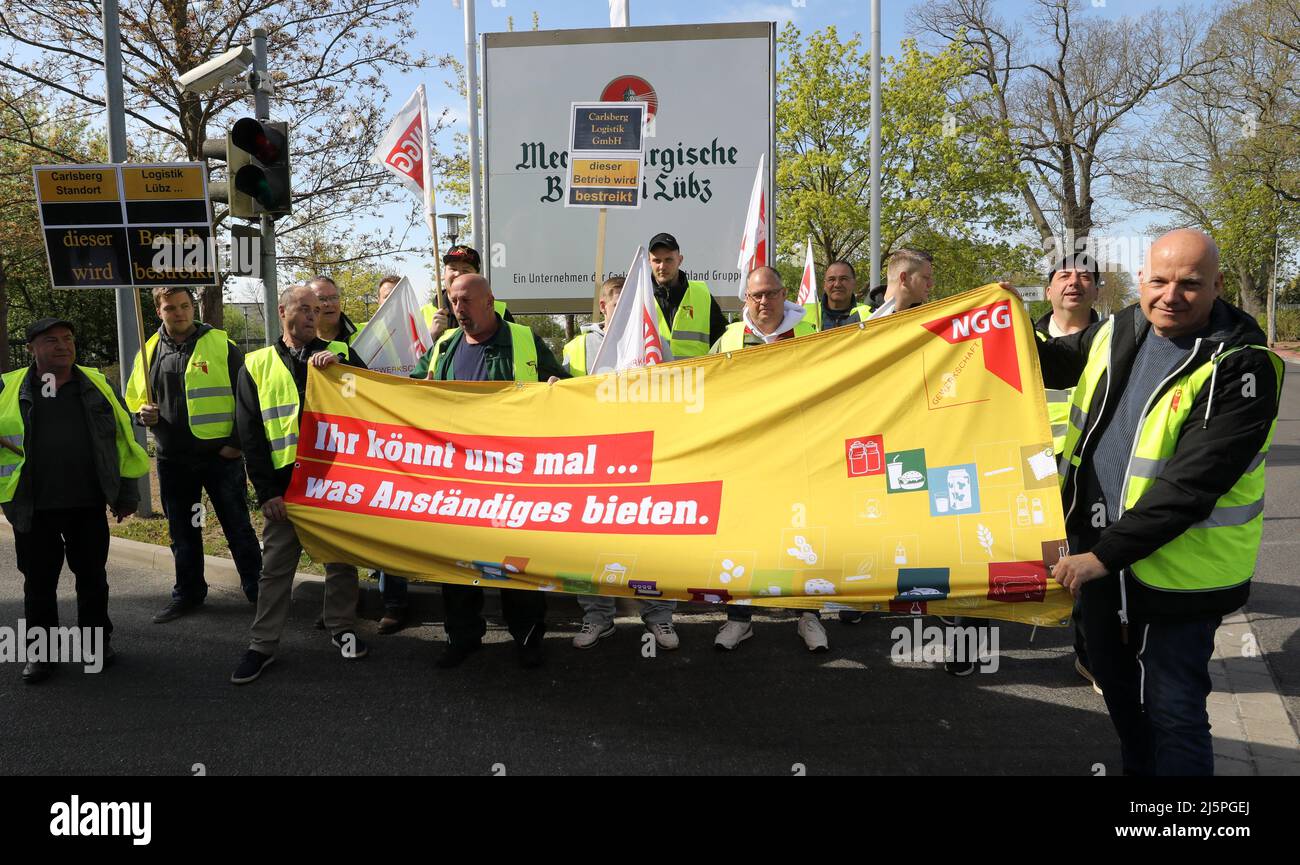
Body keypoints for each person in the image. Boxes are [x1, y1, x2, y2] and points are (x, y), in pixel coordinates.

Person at [1039, 228, 1283, 775]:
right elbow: (1053, 363)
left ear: (1217, 285)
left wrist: (1101, 556)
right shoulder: (1123, 326)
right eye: (1159, 280)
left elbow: (1191, 486)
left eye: (1190, 284)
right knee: (1125, 703)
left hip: (1176, 579)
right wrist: (990, 319)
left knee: (1173, 713)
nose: (1170, 295)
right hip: (1099, 561)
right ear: (1141, 279)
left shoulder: (1243, 368)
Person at [414, 274, 569, 669]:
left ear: (490, 301)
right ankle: (462, 637)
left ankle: (529, 638)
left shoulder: (524, 339)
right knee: (458, 566)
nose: (459, 310)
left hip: (513, 479)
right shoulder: (443, 347)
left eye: (467, 301)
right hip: (458, 480)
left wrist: (558, 388)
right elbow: (411, 393)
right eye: (454, 302)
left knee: (518, 565)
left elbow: (564, 389)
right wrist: (420, 392)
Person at [230, 285, 369, 685]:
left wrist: (344, 366)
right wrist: (267, 492)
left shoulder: (339, 356)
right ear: (283, 311)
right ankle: (262, 645)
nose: (313, 315)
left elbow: (372, 400)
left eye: (318, 309)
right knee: (275, 569)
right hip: (285, 486)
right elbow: (251, 434)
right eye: (305, 309)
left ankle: (341, 628)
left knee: (341, 561)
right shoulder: (255, 365)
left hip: (334, 482)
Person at [1, 318, 149, 683]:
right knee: (38, 583)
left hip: (87, 503)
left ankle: (96, 645)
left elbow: (122, 442)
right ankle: (41, 654)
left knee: (93, 579)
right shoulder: (8, 386)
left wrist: (126, 494)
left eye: (67, 339)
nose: (62, 346)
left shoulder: (96, 383)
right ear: (32, 348)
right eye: (51, 341)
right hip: (32, 504)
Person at [125, 287, 261, 623]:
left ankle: (259, 592)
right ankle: (188, 594)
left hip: (220, 458)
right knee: (182, 532)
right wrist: (142, 415)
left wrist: (236, 443)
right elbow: (134, 401)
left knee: (238, 528)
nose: (180, 313)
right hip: (174, 460)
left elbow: (247, 399)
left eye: (185, 306)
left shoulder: (220, 344)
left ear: (193, 307)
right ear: (159, 311)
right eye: (171, 308)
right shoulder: (149, 351)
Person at [708, 267, 827, 652]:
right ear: (746, 298)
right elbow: (704, 390)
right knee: (743, 538)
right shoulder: (729, 338)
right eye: (755, 295)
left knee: (805, 536)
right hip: (747, 457)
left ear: (784, 293)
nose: (763, 302)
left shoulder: (810, 333)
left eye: (770, 294)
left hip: (800, 453)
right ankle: (740, 618)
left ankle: (808, 616)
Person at [561, 277, 680, 650]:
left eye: (631, 307)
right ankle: (596, 617)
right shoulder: (578, 348)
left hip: (644, 460)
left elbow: (676, 398)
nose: (623, 313)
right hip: (593, 463)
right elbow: (561, 403)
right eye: (617, 305)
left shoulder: (655, 345)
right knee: (588, 547)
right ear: (603, 306)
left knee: (650, 543)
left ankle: (659, 618)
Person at [1034, 257, 1102, 693]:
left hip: (1088, 469)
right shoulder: (1016, 334)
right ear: (1048, 291)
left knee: (1087, 564)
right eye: (1063, 275)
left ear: (1096, 290)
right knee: (1020, 554)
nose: (1073, 283)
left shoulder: (1114, 339)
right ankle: (970, 641)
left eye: (1084, 277)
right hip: (1029, 467)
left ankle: (1090, 656)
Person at [648, 232, 728, 357]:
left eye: (668, 259)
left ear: (680, 260)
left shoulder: (702, 294)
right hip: (654, 376)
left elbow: (723, 339)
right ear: (649, 262)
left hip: (697, 375)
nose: (662, 266)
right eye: (657, 260)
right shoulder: (639, 296)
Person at [418, 245, 512, 342]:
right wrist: (431, 335)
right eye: (453, 269)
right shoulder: (422, 314)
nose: (458, 274)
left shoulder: (500, 312)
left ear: (477, 276)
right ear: (444, 273)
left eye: (466, 270)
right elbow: (412, 355)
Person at [804, 260, 872, 330]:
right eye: (831, 279)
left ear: (854, 283)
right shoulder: (802, 315)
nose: (837, 284)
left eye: (843, 279)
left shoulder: (869, 315)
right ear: (824, 285)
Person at [867, 248, 934, 314]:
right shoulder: (859, 319)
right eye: (926, 277)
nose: (931, 284)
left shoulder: (927, 320)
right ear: (904, 277)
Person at [309, 275, 362, 346]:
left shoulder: (365, 333)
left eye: (334, 297)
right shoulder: (299, 342)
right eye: (321, 299)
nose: (329, 304)